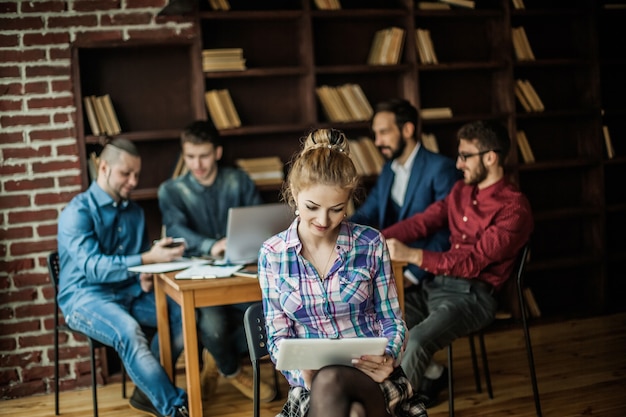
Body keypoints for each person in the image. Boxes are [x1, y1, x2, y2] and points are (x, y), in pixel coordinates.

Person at [258, 128, 428, 417]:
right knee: (346, 405)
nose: (323, 220)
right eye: (312, 207)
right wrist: (302, 372)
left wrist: (389, 356)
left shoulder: (371, 243)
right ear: (294, 194)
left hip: (374, 379)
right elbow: (277, 338)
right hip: (310, 386)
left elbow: (391, 319)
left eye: (336, 209)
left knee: (339, 390)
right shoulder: (273, 255)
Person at [382, 120, 534, 407]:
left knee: (414, 341)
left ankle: (396, 412)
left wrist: (413, 255)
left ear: (490, 157)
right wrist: (375, 238)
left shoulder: (514, 207)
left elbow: (473, 262)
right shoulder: (460, 192)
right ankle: (428, 376)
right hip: (436, 286)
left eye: (465, 156)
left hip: (473, 297)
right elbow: (422, 223)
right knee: (382, 323)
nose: (459, 163)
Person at [57, 138, 189, 417]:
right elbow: (92, 267)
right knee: (129, 332)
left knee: (184, 314)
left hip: (128, 293)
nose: (133, 181)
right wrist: (146, 259)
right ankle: (174, 407)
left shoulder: (135, 213)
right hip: (84, 297)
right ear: (103, 167)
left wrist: (148, 271)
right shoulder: (76, 212)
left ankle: (149, 390)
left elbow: (138, 267)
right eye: (125, 173)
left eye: (136, 175)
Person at [349, 98, 460, 406]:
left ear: (408, 129)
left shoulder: (441, 168)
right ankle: (431, 370)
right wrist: (339, 226)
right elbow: (369, 212)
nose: (377, 141)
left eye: (383, 132)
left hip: (425, 272)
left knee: (382, 313)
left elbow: (449, 236)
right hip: (391, 267)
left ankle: (393, 393)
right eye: (375, 133)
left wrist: (413, 273)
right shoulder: (390, 169)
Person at [157, 119, 275, 402]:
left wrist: (237, 245)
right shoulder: (170, 190)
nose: (197, 164)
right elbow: (175, 229)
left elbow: (258, 223)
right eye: (190, 157)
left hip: (241, 269)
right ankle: (231, 370)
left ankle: (219, 361)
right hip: (196, 276)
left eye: (204, 156)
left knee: (272, 316)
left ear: (218, 152)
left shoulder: (238, 180)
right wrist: (212, 245)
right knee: (211, 326)